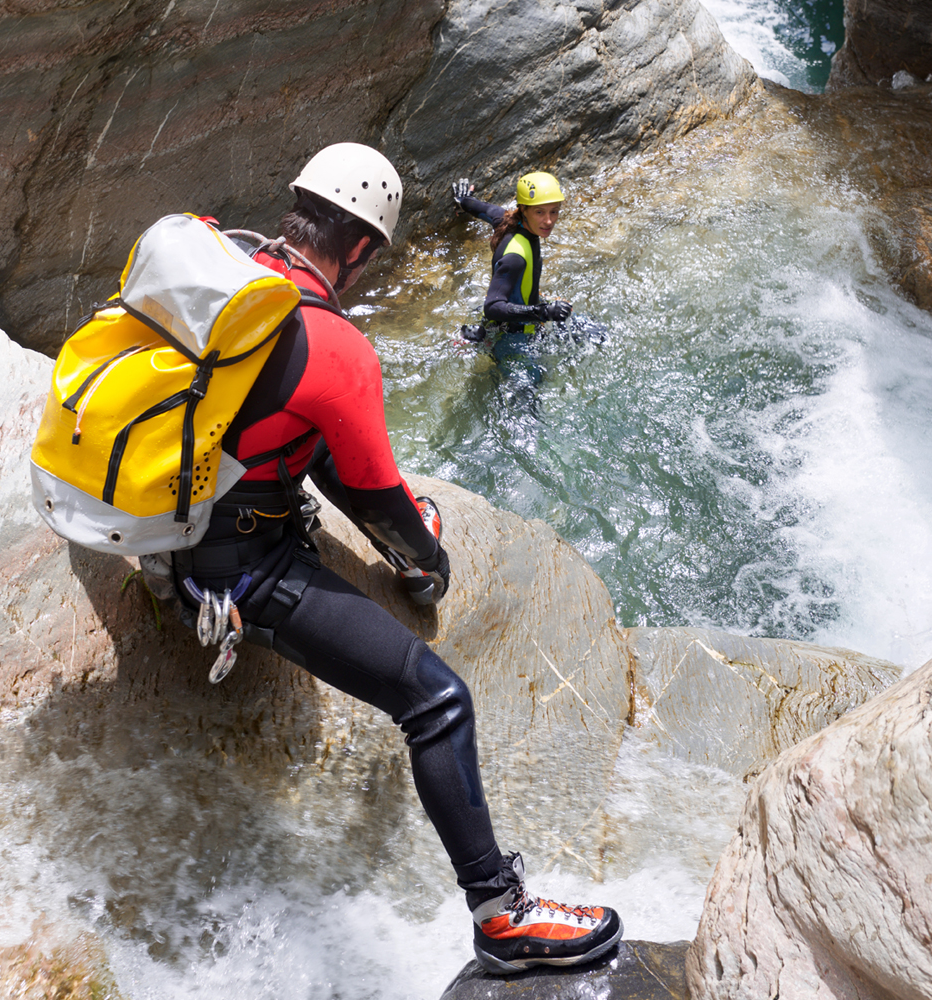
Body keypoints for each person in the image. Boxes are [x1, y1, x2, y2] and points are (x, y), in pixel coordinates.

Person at [160, 143, 622, 974]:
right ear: (365, 247)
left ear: (296, 204)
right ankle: (502, 917)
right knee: (438, 701)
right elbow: (383, 505)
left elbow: (290, 435)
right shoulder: (334, 347)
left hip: (155, 523)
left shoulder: (225, 260)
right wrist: (428, 564)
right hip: (233, 572)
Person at [452, 171, 573, 342]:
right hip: (514, 336)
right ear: (523, 208)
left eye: (554, 211)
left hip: (525, 316)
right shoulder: (515, 257)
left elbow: (483, 209)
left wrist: (463, 201)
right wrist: (543, 312)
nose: (548, 221)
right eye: (540, 212)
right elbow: (492, 307)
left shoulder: (506, 219)